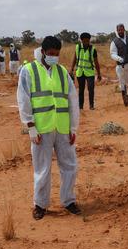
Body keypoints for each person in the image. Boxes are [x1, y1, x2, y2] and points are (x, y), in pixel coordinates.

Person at [16, 36, 82, 219]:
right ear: (43, 52)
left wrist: (73, 128)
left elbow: (72, 100)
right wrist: (30, 126)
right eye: (51, 53)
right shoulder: (29, 70)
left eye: (57, 54)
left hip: (62, 128)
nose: (54, 57)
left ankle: (68, 200)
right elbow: (23, 99)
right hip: (41, 128)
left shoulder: (62, 72)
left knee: (70, 166)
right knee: (42, 168)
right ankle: (40, 204)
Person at [71, 32, 102, 110]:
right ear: (81, 40)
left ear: (89, 40)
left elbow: (96, 63)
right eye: (84, 41)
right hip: (80, 72)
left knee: (91, 88)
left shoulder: (93, 49)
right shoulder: (78, 47)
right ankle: (80, 107)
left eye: (87, 41)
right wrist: (71, 69)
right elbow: (75, 59)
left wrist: (99, 74)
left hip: (90, 72)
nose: (86, 42)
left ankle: (91, 106)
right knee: (81, 90)